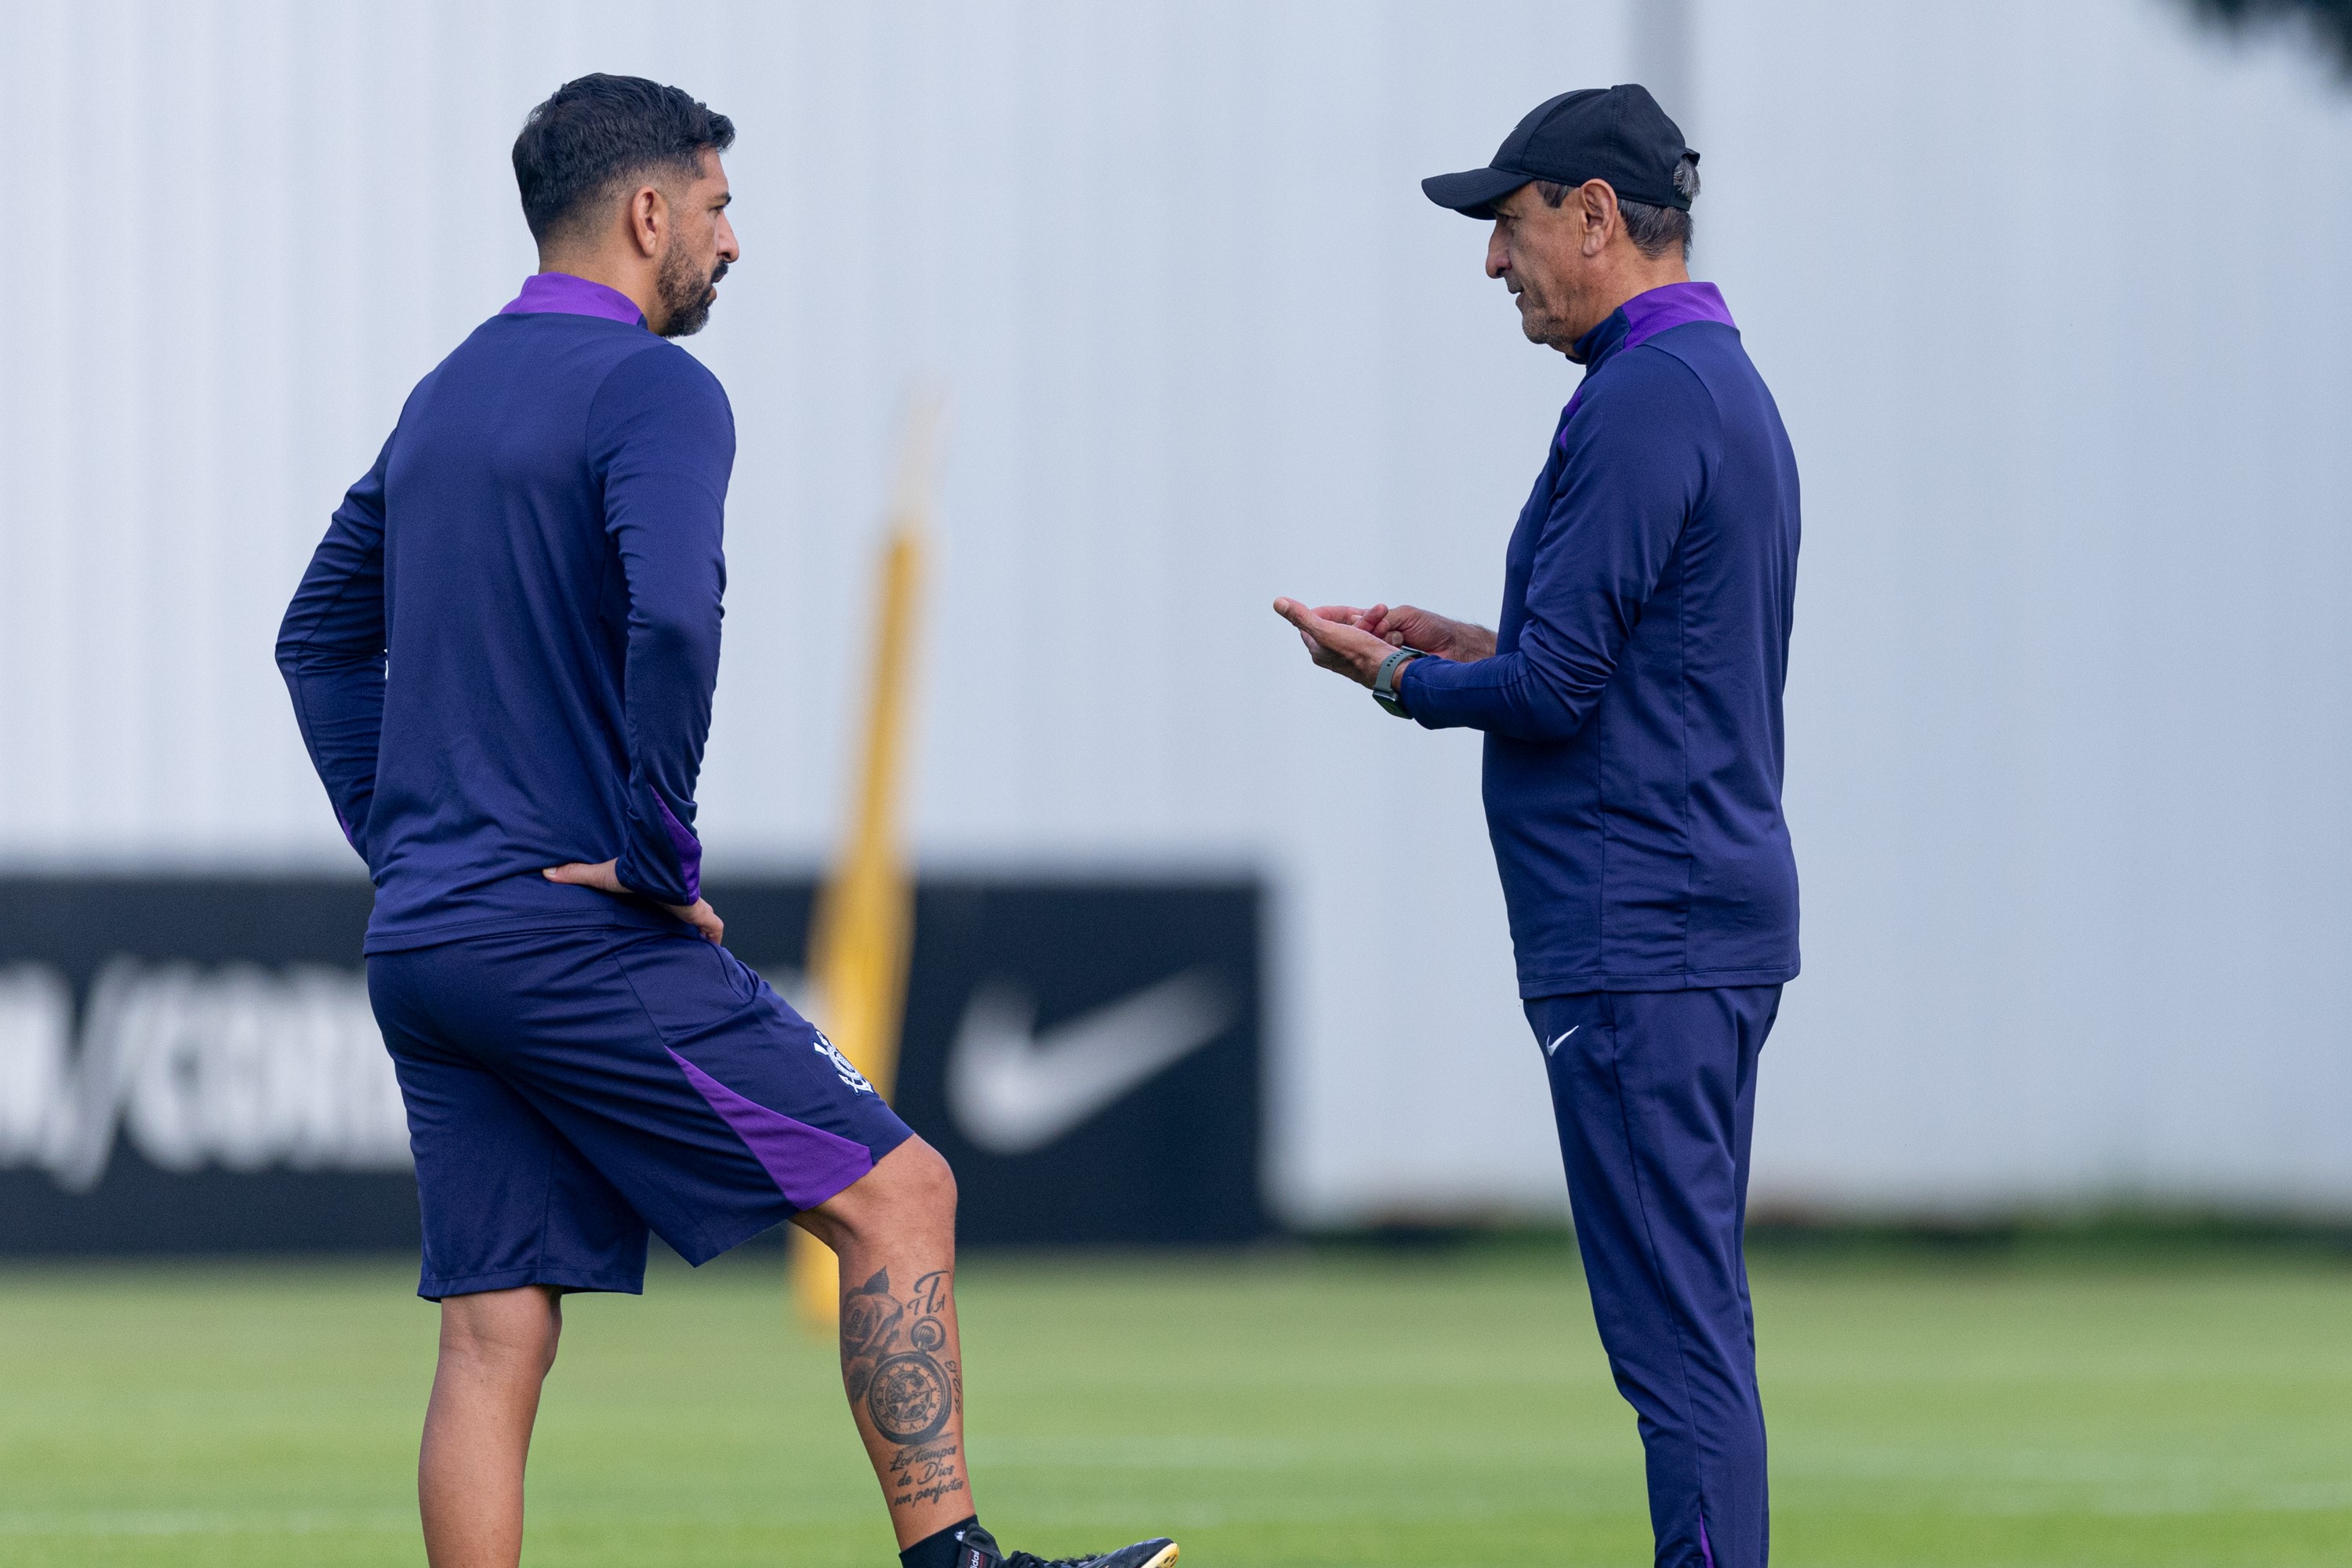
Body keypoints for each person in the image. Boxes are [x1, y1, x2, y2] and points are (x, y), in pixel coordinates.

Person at [276, 73, 1174, 1568]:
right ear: (646, 213)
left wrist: (412, 847)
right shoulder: (655, 387)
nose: (730, 241)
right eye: (716, 205)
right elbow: (676, 622)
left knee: (495, 1337)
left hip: (430, 940)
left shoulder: (443, 397)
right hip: (572, 929)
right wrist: (654, 850)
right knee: (901, 1195)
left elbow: (315, 638)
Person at [1273, 85, 1798, 1568]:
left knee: (1673, 1341)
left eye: (1509, 226)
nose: (1493, 263)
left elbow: (1562, 691)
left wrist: (1390, 674)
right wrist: (1458, 642)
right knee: (1692, 1323)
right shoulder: (1708, 379)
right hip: (1690, 917)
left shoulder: (1642, 396)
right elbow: (1627, 662)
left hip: (1645, 933)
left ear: (1596, 216)